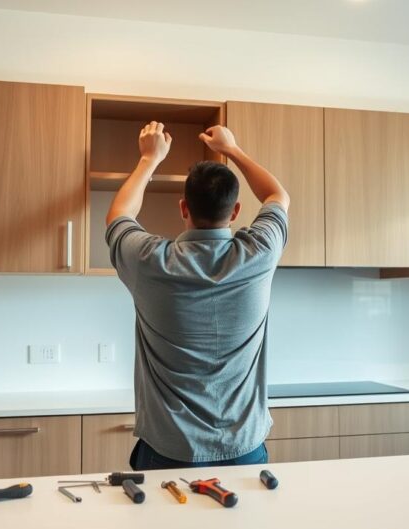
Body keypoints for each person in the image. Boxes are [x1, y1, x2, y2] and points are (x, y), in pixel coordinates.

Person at [105, 121, 290, 470]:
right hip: (244, 448)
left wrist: (151, 158)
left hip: (171, 451)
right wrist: (232, 150)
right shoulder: (260, 253)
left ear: (183, 208)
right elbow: (277, 196)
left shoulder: (150, 262)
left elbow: (119, 215)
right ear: (235, 212)